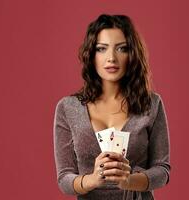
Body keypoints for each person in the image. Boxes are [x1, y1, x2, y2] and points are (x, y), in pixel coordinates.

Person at [53, 14, 171, 200]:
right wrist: (92, 180)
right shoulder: (68, 108)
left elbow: (162, 171)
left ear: (131, 54)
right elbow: (64, 178)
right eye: (101, 49)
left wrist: (129, 181)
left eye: (121, 48)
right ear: (91, 55)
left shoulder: (151, 104)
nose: (111, 58)